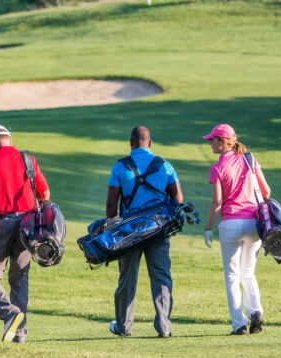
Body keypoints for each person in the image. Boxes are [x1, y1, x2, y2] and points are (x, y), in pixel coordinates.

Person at [0, 125, 50, 343]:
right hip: (27, 224)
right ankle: (19, 333)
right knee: (19, 277)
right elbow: (45, 193)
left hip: (0, 224)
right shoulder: (27, 159)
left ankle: (10, 314)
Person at [106, 126, 183, 338]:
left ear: (131, 143)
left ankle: (123, 326)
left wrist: (112, 228)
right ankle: (164, 326)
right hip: (158, 230)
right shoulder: (164, 166)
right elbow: (178, 200)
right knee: (161, 277)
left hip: (129, 233)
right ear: (150, 143)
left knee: (127, 278)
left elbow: (112, 204)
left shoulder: (120, 166)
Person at [202, 124, 271, 335]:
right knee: (247, 272)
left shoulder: (217, 168)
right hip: (254, 224)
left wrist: (208, 227)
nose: (210, 143)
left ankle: (239, 324)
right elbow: (266, 191)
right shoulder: (249, 160)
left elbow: (217, 203)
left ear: (223, 141)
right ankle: (256, 312)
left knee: (232, 275)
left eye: (213, 140)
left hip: (231, 224)